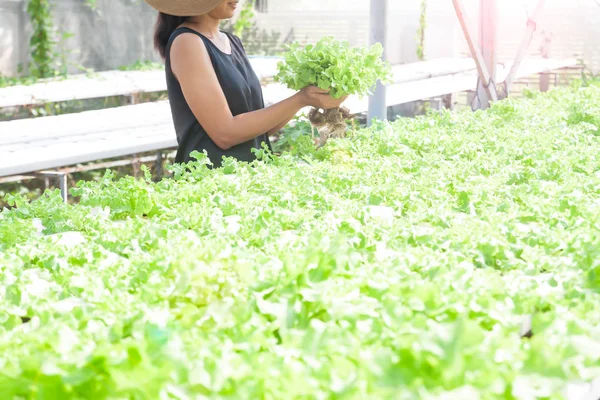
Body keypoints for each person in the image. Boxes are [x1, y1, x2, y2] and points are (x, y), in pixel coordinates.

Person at [144, 0, 347, 168]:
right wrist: (300, 98)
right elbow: (224, 133)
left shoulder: (231, 41)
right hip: (211, 181)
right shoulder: (187, 42)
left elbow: (258, 128)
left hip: (248, 177)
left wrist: (309, 98)